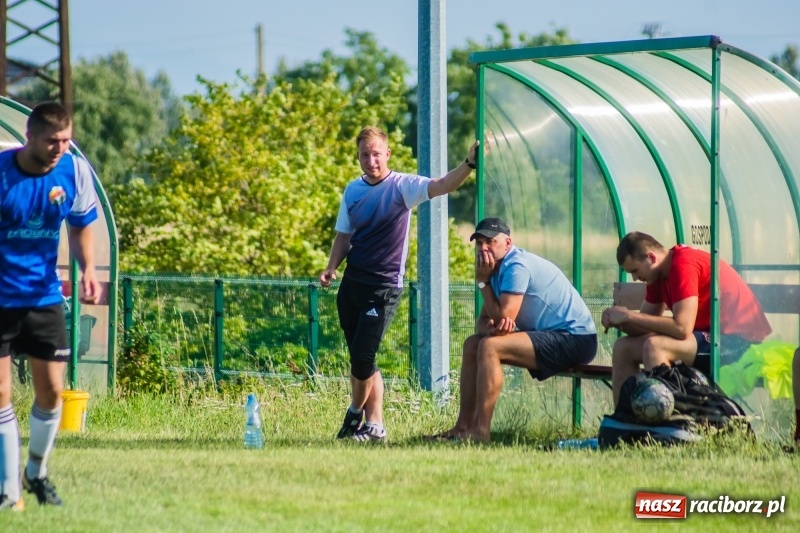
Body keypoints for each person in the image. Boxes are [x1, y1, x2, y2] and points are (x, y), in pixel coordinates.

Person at [319, 126, 482, 442]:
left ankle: (354, 414)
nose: (371, 161)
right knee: (361, 359)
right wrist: (330, 267)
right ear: (359, 157)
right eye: (365, 155)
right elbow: (344, 236)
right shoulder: (352, 191)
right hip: (352, 285)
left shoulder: (402, 186)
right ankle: (376, 426)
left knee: (364, 356)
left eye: (376, 154)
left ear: (387, 154)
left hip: (383, 288)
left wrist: (469, 163)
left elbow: (444, 185)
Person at [0, 102, 102, 510]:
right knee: (1, 393)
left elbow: (80, 229)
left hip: (43, 298)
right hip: (1, 300)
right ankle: (8, 489)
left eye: (66, 139)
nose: (61, 147)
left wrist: (89, 268)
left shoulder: (75, 171)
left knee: (52, 393)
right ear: (30, 137)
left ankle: (36, 474)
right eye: (52, 141)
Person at [432, 217, 598, 442]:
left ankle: (481, 431)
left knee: (490, 347)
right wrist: (491, 327)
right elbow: (483, 321)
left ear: (507, 243)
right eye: (479, 242)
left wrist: (483, 283)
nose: (483, 248)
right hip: (550, 335)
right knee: (473, 344)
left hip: (576, 339)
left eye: (490, 242)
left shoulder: (516, 266)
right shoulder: (496, 270)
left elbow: (504, 317)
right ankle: (462, 427)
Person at [601, 231, 771, 405]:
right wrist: (620, 321)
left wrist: (629, 316)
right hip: (707, 336)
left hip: (739, 341)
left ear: (651, 258)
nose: (635, 278)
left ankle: (673, 420)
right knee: (623, 347)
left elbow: (682, 328)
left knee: (655, 347)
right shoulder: (657, 275)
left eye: (635, 271)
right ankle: (625, 419)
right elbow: (644, 324)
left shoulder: (682, 264)